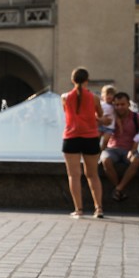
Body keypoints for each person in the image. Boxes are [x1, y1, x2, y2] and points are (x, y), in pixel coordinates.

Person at [60, 68, 105, 219]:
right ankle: (98, 209)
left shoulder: (65, 97)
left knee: (74, 175)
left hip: (71, 137)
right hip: (90, 137)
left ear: (72, 80)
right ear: (87, 80)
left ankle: (78, 210)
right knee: (93, 175)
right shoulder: (94, 98)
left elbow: (67, 114)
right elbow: (100, 115)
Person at [101, 91, 139, 201]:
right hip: (112, 149)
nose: (119, 107)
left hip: (129, 149)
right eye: (117, 104)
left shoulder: (137, 117)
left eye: (122, 104)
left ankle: (118, 189)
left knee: (137, 160)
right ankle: (120, 189)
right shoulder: (110, 117)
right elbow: (98, 129)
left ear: (129, 104)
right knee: (105, 160)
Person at [98, 85, 116, 150]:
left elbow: (117, 117)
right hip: (100, 126)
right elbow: (96, 114)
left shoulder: (115, 106)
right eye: (107, 94)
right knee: (96, 141)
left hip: (110, 127)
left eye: (111, 94)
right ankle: (95, 153)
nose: (109, 96)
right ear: (102, 95)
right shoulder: (100, 104)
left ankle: (101, 153)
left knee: (105, 142)